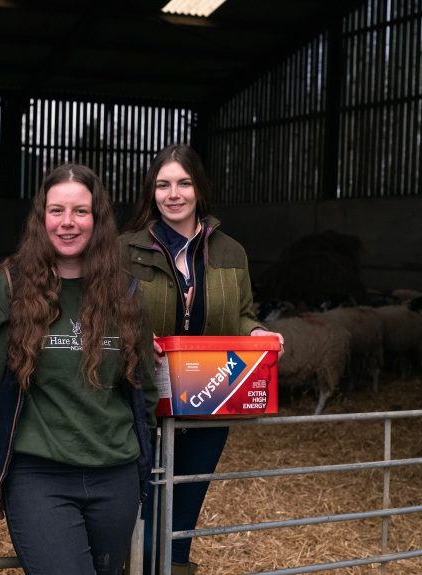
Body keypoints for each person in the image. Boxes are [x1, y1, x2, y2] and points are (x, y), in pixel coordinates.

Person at [0, 163, 156, 575]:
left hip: (115, 475)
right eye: (57, 211)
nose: (68, 223)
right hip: (39, 475)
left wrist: (143, 464)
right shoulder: (8, 288)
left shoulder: (126, 292)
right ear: (41, 218)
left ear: (97, 219)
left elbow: (142, 388)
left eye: (81, 211)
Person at [120, 143, 283, 575]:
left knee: (187, 504)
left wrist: (258, 332)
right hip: (145, 399)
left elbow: (244, 313)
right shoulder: (124, 251)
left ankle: (174, 567)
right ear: (151, 192)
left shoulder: (231, 252)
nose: (173, 194)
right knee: (145, 503)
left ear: (199, 189)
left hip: (212, 397)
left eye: (183, 183)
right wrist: (134, 335)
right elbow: (103, 316)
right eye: (163, 184)